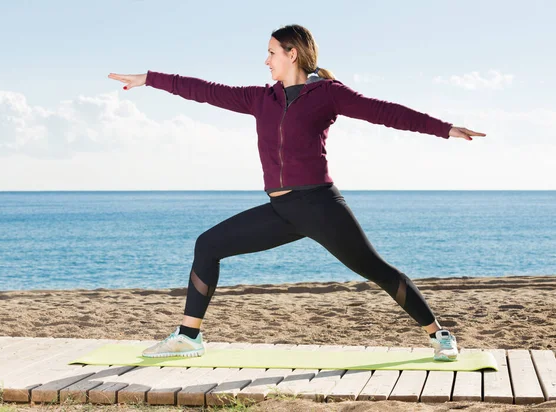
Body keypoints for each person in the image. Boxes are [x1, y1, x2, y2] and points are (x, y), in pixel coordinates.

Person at [108, 24, 485, 362]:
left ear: (292, 54)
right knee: (208, 244)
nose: (266, 60)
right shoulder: (260, 99)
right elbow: (204, 91)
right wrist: (149, 79)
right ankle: (188, 336)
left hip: (319, 204)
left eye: (272, 52)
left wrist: (445, 128)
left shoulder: (328, 95)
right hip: (281, 208)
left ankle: (439, 335)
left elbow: (384, 111)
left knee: (376, 270)